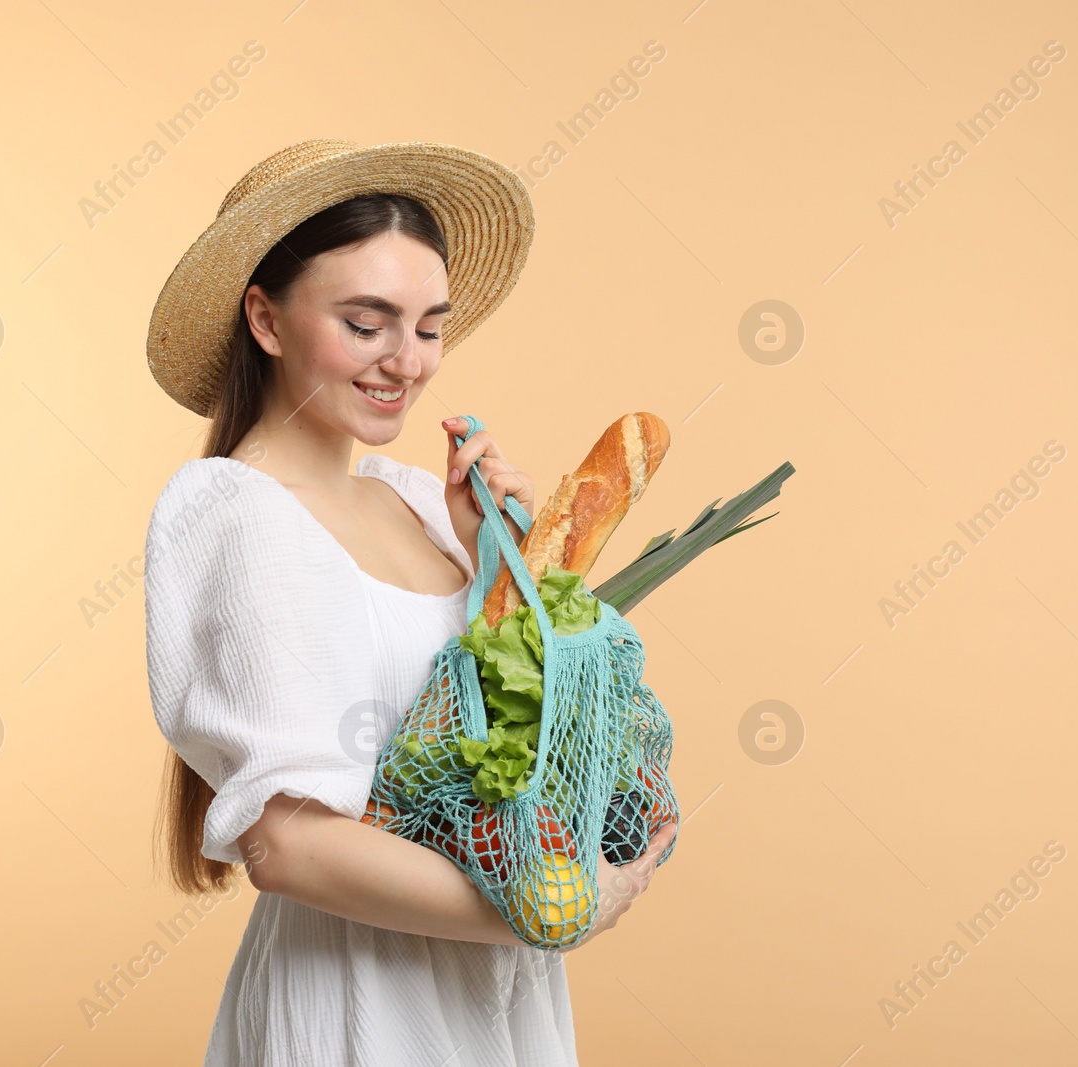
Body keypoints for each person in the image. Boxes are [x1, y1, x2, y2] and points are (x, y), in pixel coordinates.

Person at [141, 138, 677, 1066]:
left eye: (429, 327)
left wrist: (496, 567)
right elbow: (291, 847)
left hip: (494, 997)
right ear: (265, 320)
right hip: (361, 1003)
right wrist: (558, 908)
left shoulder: (422, 502)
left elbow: (501, 741)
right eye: (366, 323)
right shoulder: (239, 514)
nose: (407, 361)